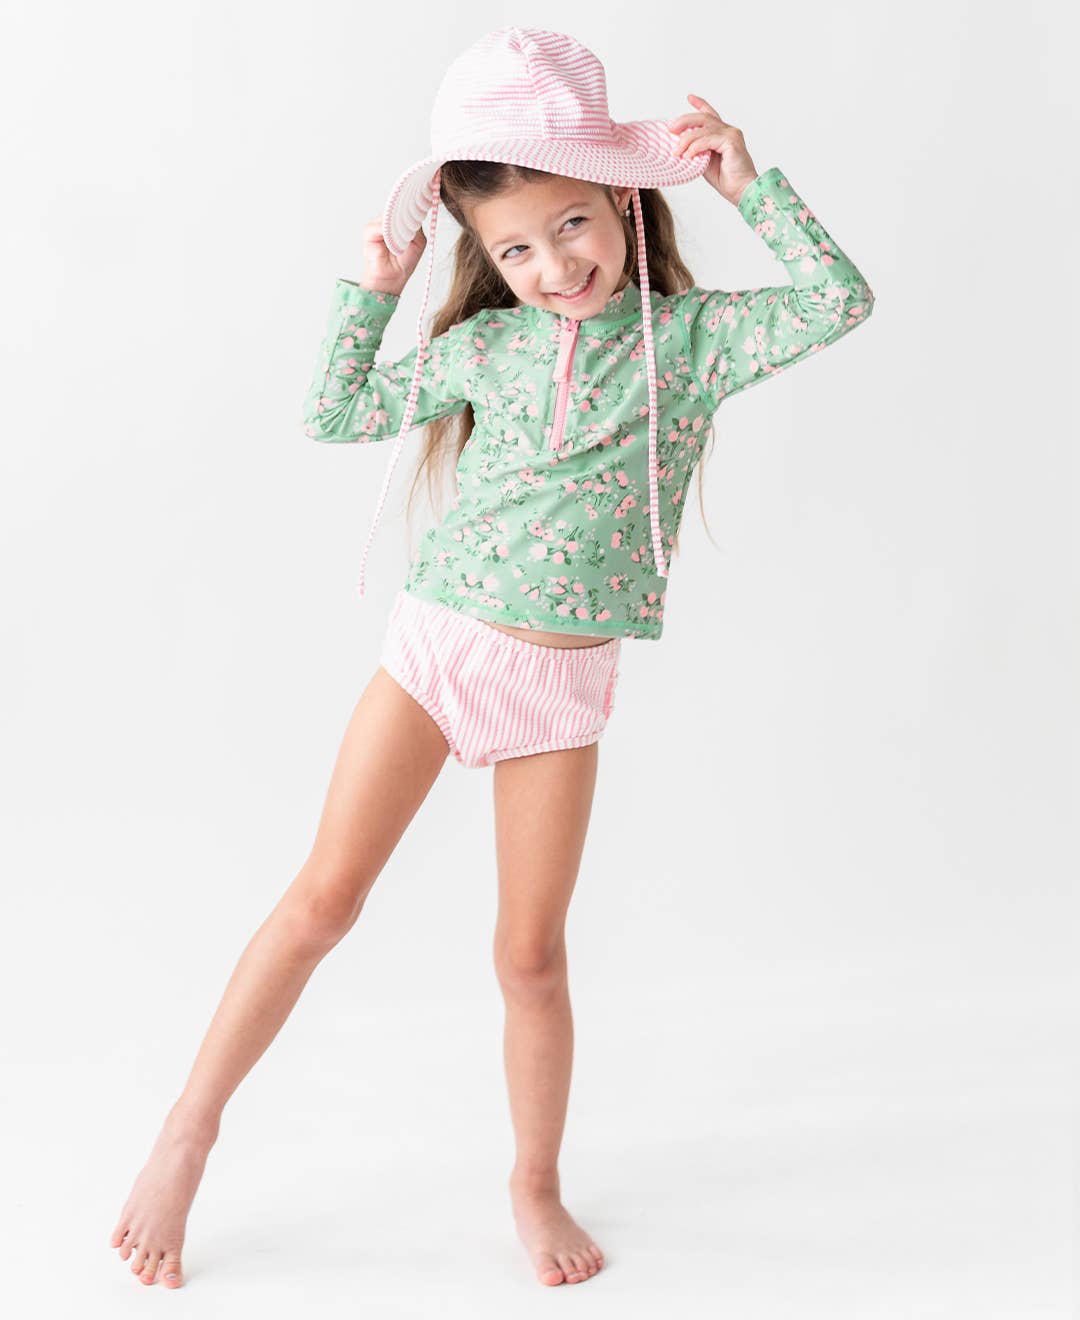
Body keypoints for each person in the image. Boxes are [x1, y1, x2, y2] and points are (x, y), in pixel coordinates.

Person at [108, 25, 875, 1292]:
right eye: (516, 250)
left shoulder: (693, 343)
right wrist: (375, 288)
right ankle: (188, 1133)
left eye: (572, 225)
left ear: (623, 200)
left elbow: (838, 302)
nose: (553, 266)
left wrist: (752, 186)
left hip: (562, 691)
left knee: (530, 956)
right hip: (441, 650)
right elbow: (334, 413)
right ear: (485, 256)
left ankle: (534, 1181)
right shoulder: (485, 347)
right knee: (324, 902)